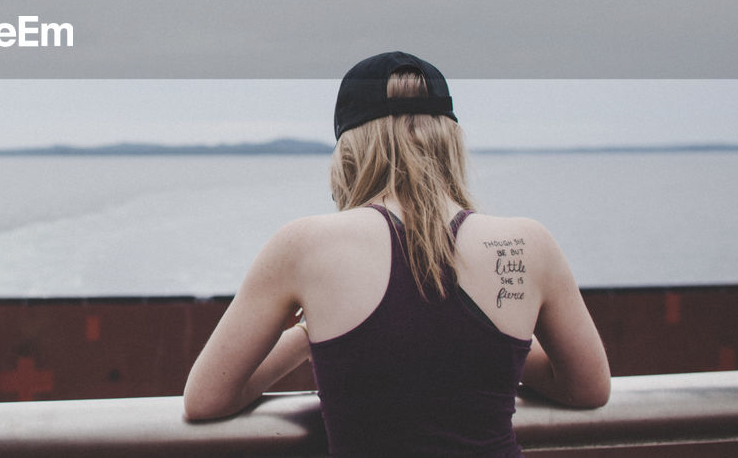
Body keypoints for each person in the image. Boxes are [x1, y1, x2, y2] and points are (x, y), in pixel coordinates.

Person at [183, 51, 610, 456]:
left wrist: (306, 337)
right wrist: (501, 346)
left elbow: (206, 399)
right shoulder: (529, 244)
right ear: (450, 142)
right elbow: (589, 388)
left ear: (350, 151)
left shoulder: (303, 246)